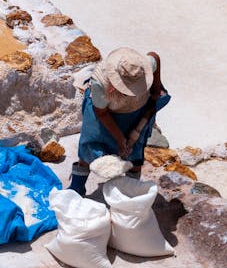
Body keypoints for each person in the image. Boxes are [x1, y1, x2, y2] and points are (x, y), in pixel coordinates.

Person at [69, 47, 171, 196]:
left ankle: (130, 190)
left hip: (136, 111)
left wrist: (156, 86)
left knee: (135, 153)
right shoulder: (100, 82)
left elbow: (155, 56)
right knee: (89, 148)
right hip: (102, 113)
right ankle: (77, 188)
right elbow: (101, 113)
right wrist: (120, 139)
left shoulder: (142, 67)